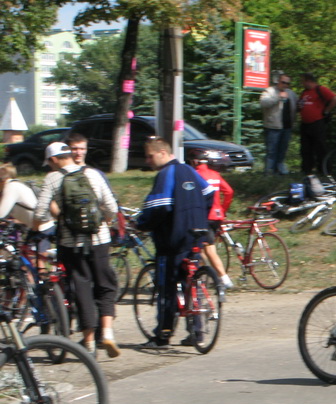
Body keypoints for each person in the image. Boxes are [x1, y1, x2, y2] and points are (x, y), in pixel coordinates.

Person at [33, 142, 121, 358]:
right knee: (106, 285)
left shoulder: (52, 178)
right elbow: (112, 207)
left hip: (70, 244)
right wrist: (104, 221)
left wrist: (46, 222)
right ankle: (107, 333)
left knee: (81, 289)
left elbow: (40, 213)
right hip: (99, 239)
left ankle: (89, 343)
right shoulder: (93, 174)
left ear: (54, 160)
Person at [135, 137, 215, 349]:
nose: (147, 161)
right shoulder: (189, 170)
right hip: (196, 235)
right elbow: (209, 193)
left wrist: (142, 224)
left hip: (173, 240)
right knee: (192, 283)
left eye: (150, 156)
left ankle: (163, 335)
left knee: (167, 288)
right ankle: (197, 332)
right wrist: (200, 216)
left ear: (163, 153)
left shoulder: (166, 174)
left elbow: (159, 207)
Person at [186, 149, 234, 290]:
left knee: (209, 249)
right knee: (200, 248)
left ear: (194, 162)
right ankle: (203, 277)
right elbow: (229, 192)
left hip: (204, 217)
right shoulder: (215, 174)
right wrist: (223, 210)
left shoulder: (194, 175)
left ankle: (224, 279)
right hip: (216, 216)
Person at [297, 73, 336, 174]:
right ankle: (307, 170)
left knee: (320, 147)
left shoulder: (320, 89)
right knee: (306, 148)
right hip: (305, 124)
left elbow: (335, 99)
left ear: (308, 81)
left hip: (317, 123)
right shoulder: (304, 92)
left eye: (303, 81)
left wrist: (326, 111)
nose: (302, 83)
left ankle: (324, 170)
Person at [260, 74, 298, 174]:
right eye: (283, 82)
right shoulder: (270, 91)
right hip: (273, 127)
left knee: (282, 151)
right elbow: (264, 103)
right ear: (278, 81)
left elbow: (296, 106)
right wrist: (278, 97)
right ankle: (269, 172)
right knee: (271, 151)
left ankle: (279, 171)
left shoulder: (291, 93)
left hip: (287, 127)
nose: (285, 85)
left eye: (288, 83)